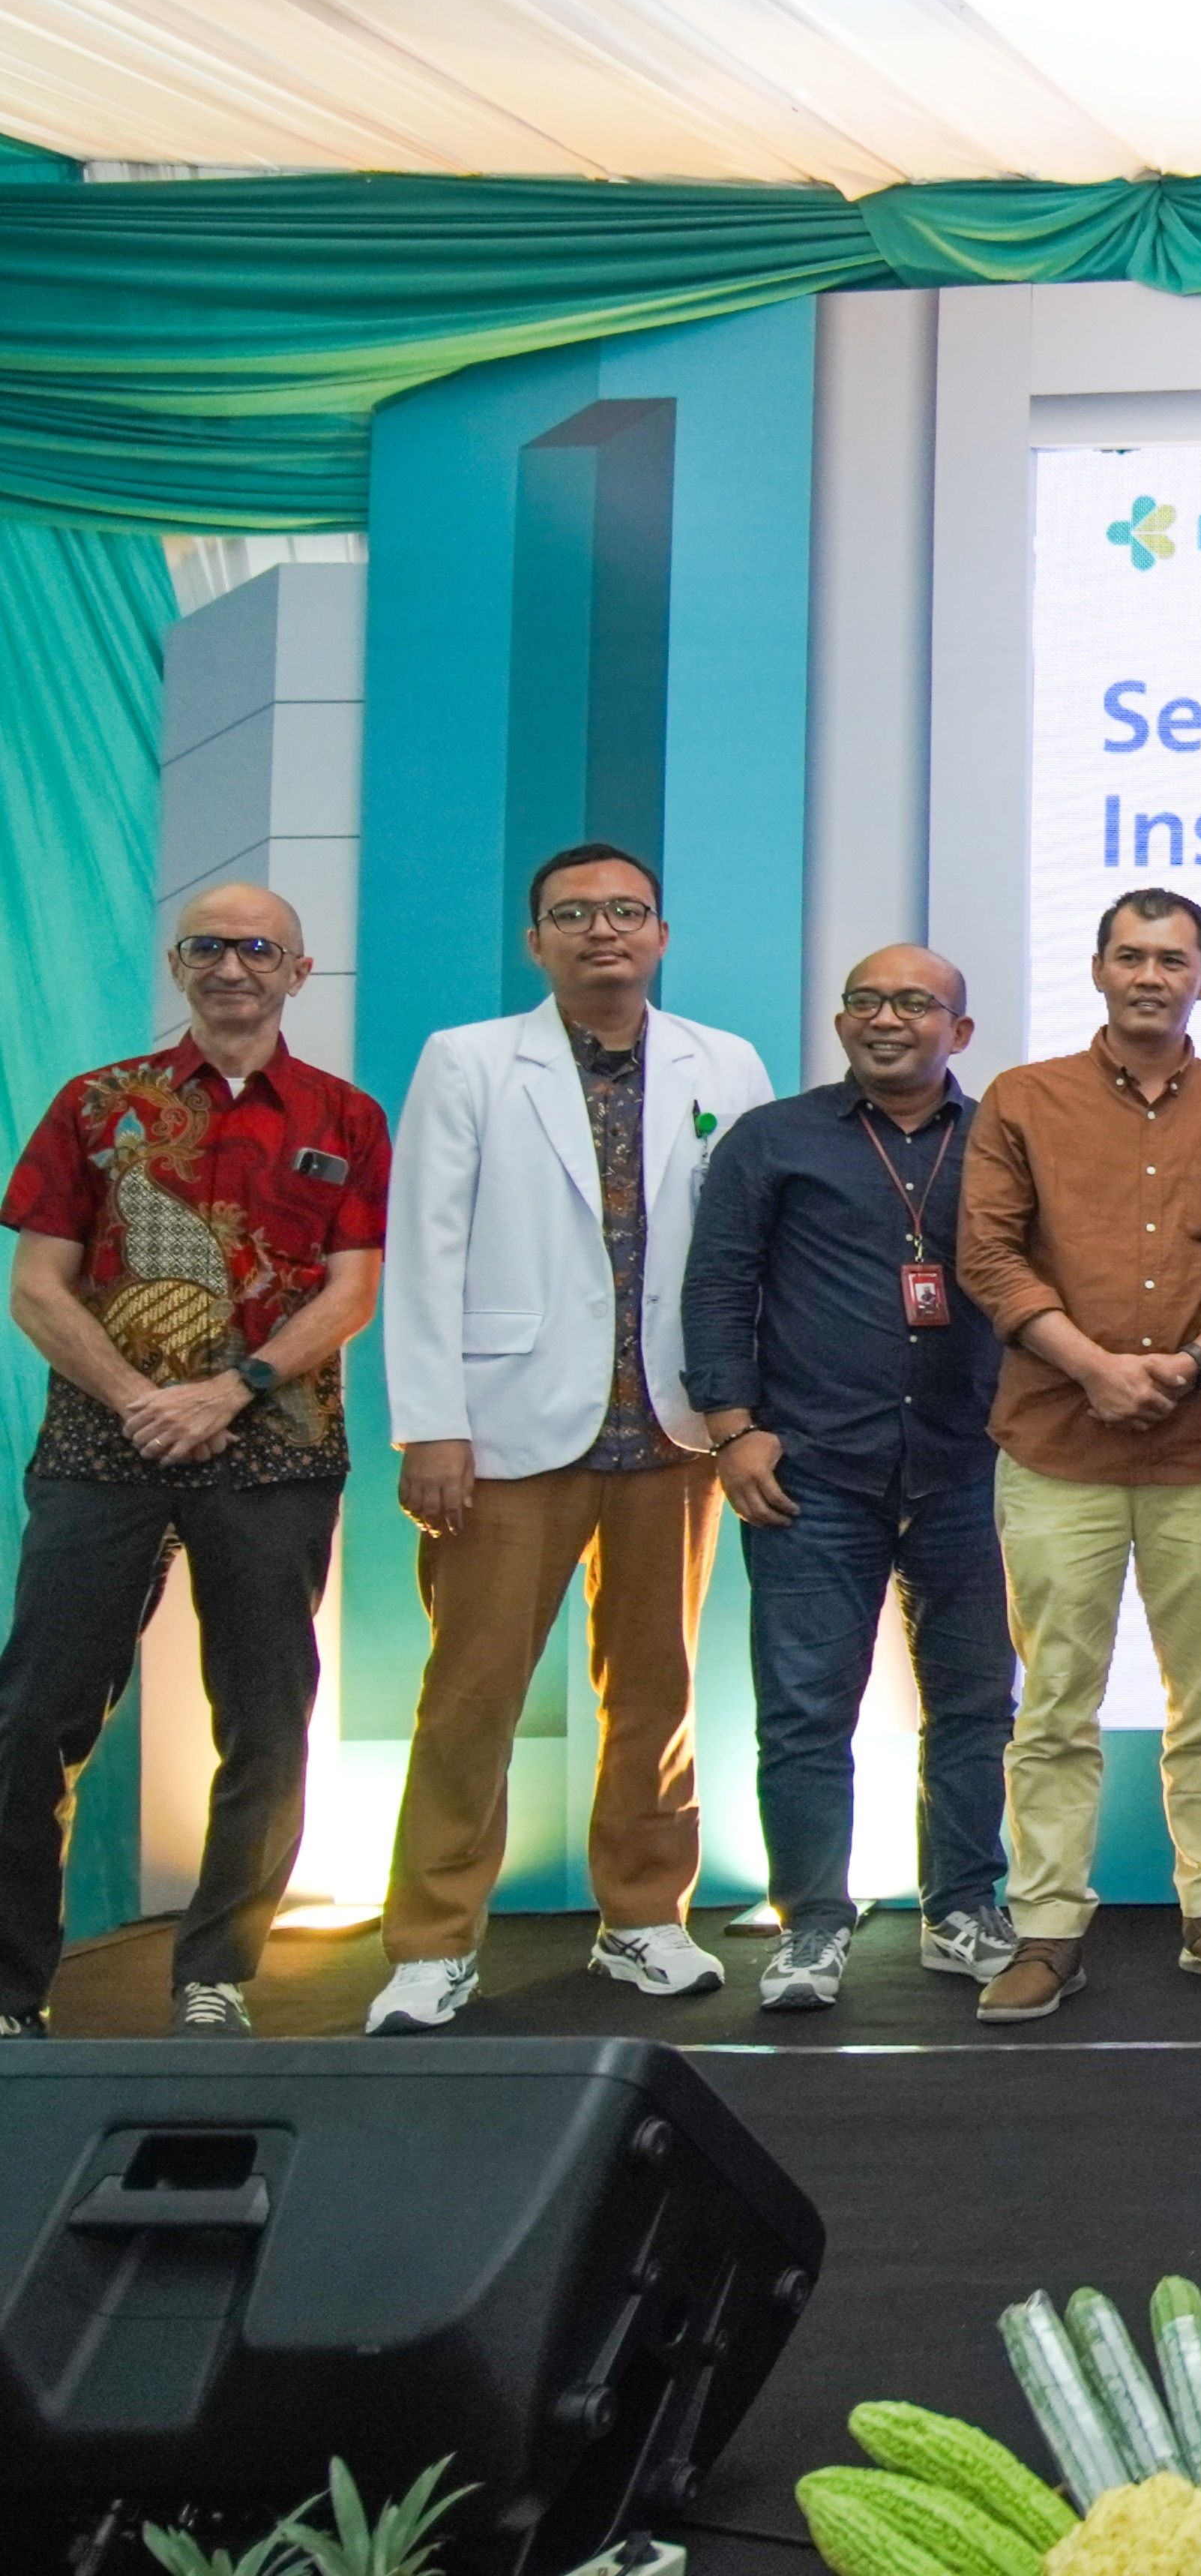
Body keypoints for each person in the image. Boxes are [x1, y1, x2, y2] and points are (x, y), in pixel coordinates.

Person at [367, 844, 775, 2035]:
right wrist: (431, 1425)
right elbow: (426, 1248)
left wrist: (744, 1407)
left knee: (657, 1692)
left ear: (661, 934)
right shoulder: (470, 1061)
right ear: (534, 939)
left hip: (672, 1427)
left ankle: (643, 1919)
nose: (604, 931)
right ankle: (433, 1943)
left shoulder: (724, 1063)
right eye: (574, 915)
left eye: (628, 913)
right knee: (470, 1695)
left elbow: (747, 1248)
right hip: (503, 1432)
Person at [0, 889, 388, 2037]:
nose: (233, 966)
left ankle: (214, 1974)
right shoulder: (95, 1105)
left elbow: (351, 1289)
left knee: (267, 1719)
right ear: (179, 964)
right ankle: (14, 1990)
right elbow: (37, 1283)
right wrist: (136, 1398)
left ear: (298, 972)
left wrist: (231, 1388)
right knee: (33, 1715)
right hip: (99, 1445)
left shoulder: (347, 1116)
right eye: (209, 946)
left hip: (276, 1447)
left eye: (257, 947)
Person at [957, 889, 1201, 2021]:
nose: (1152, 976)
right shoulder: (1022, 1099)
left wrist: (1197, 1359)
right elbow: (988, 1257)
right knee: (1054, 1701)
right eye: (1131, 957)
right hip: (1057, 1444)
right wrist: (1091, 1365)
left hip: (1200, 1444)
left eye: (1174, 959)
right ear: (1098, 969)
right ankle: (1047, 1928)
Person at [678, 945, 1014, 2013]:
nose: (887, 1018)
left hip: (972, 1467)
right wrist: (734, 1429)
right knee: (804, 1710)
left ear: (958, 1033)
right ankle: (813, 1922)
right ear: (839, 1024)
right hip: (812, 1470)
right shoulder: (772, 1140)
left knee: (973, 1706)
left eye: (916, 1003)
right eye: (866, 1000)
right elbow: (718, 1283)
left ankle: (964, 1905)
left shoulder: (1001, 1144)